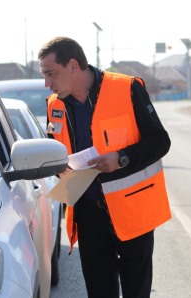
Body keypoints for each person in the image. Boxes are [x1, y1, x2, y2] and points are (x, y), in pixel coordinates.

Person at [38, 36, 172, 298]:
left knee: (136, 292)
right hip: (89, 215)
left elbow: (160, 142)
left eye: (51, 74)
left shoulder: (127, 88)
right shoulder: (54, 104)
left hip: (132, 212)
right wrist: (58, 167)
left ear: (74, 66)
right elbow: (55, 149)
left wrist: (121, 158)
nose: (47, 83)